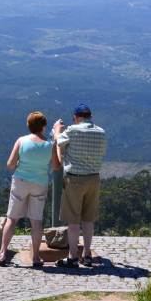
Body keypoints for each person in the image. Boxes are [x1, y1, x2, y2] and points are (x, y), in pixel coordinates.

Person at [0, 111, 60, 267]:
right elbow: (56, 166)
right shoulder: (49, 145)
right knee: (36, 222)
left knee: (12, 219)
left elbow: (10, 165)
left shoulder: (21, 141)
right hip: (40, 183)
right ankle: (36, 257)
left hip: (20, 181)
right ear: (43, 126)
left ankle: (3, 253)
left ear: (28, 126)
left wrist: (21, 165)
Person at [52, 103, 106, 268]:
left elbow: (58, 141)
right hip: (94, 178)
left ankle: (73, 257)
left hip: (75, 179)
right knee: (88, 220)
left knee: (74, 221)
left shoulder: (73, 131)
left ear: (76, 117)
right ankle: (87, 255)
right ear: (89, 116)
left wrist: (57, 130)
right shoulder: (101, 132)